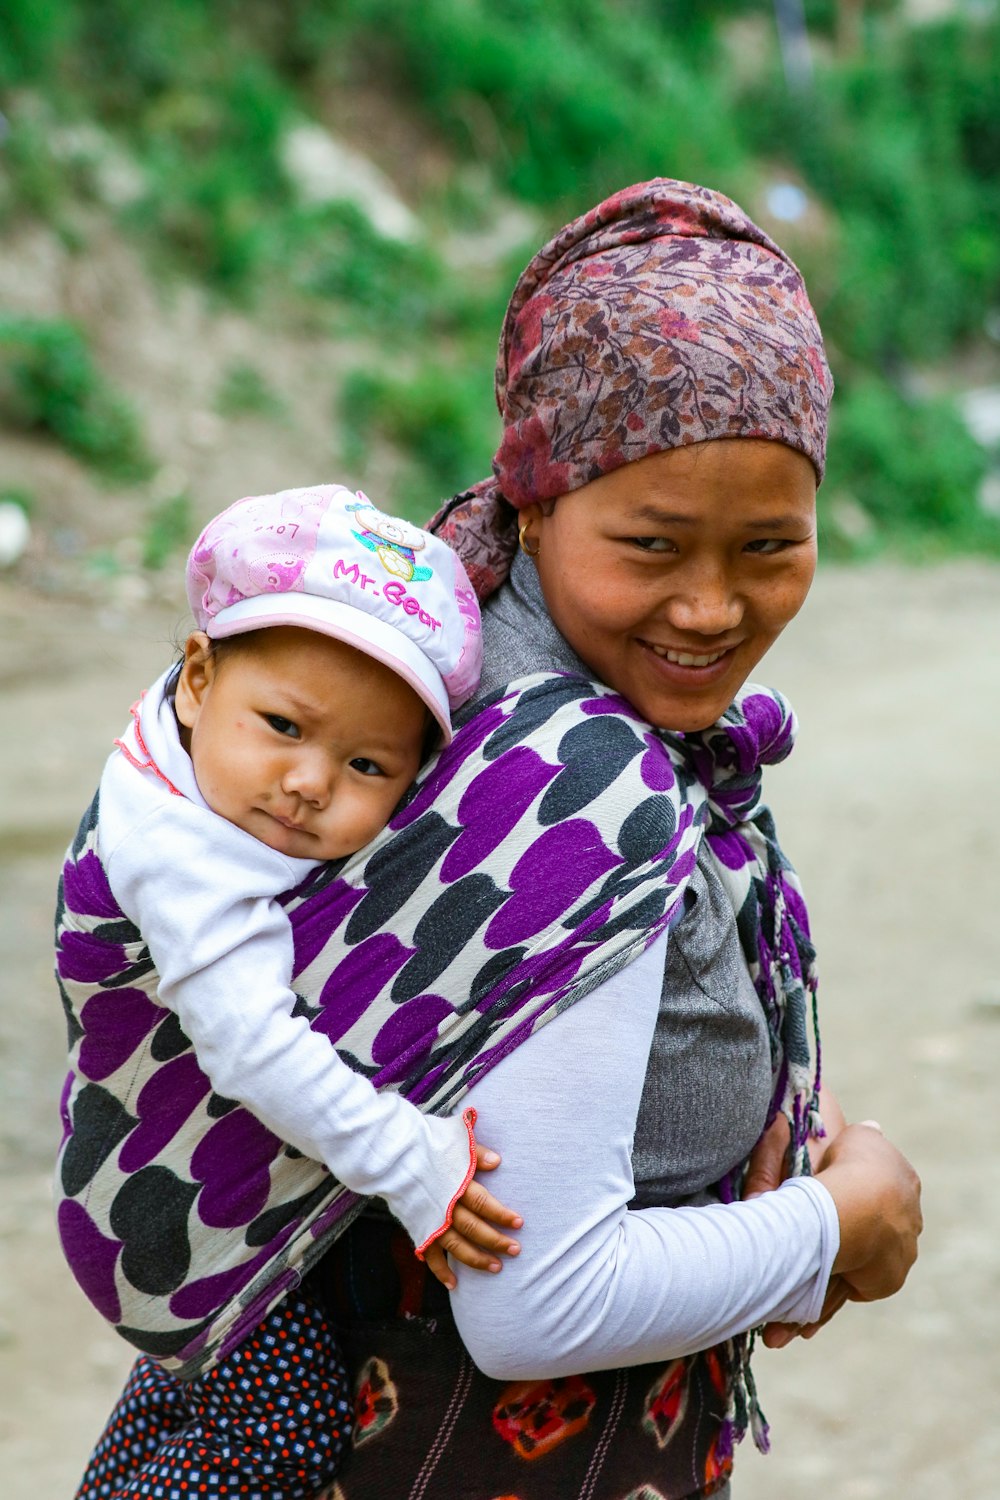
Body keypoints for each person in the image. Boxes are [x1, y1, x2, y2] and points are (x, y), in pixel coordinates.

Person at [65, 179, 922, 1500]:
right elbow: (538, 1303)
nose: (712, 604)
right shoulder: (569, 781)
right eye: (651, 544)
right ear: (533, 503)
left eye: (771, 545)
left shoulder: (464, 679)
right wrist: (835, 1224)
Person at [55, 483, 523, 1499]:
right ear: (194, 677)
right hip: (174, 1215)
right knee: (279, 1429)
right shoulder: (189, 866)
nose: (310, 782)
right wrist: (411, 1162)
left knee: (192, 1398)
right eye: (283, 725)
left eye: (365, 763)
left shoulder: (197, 759)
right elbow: (252, 1048)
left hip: (159, 1221)